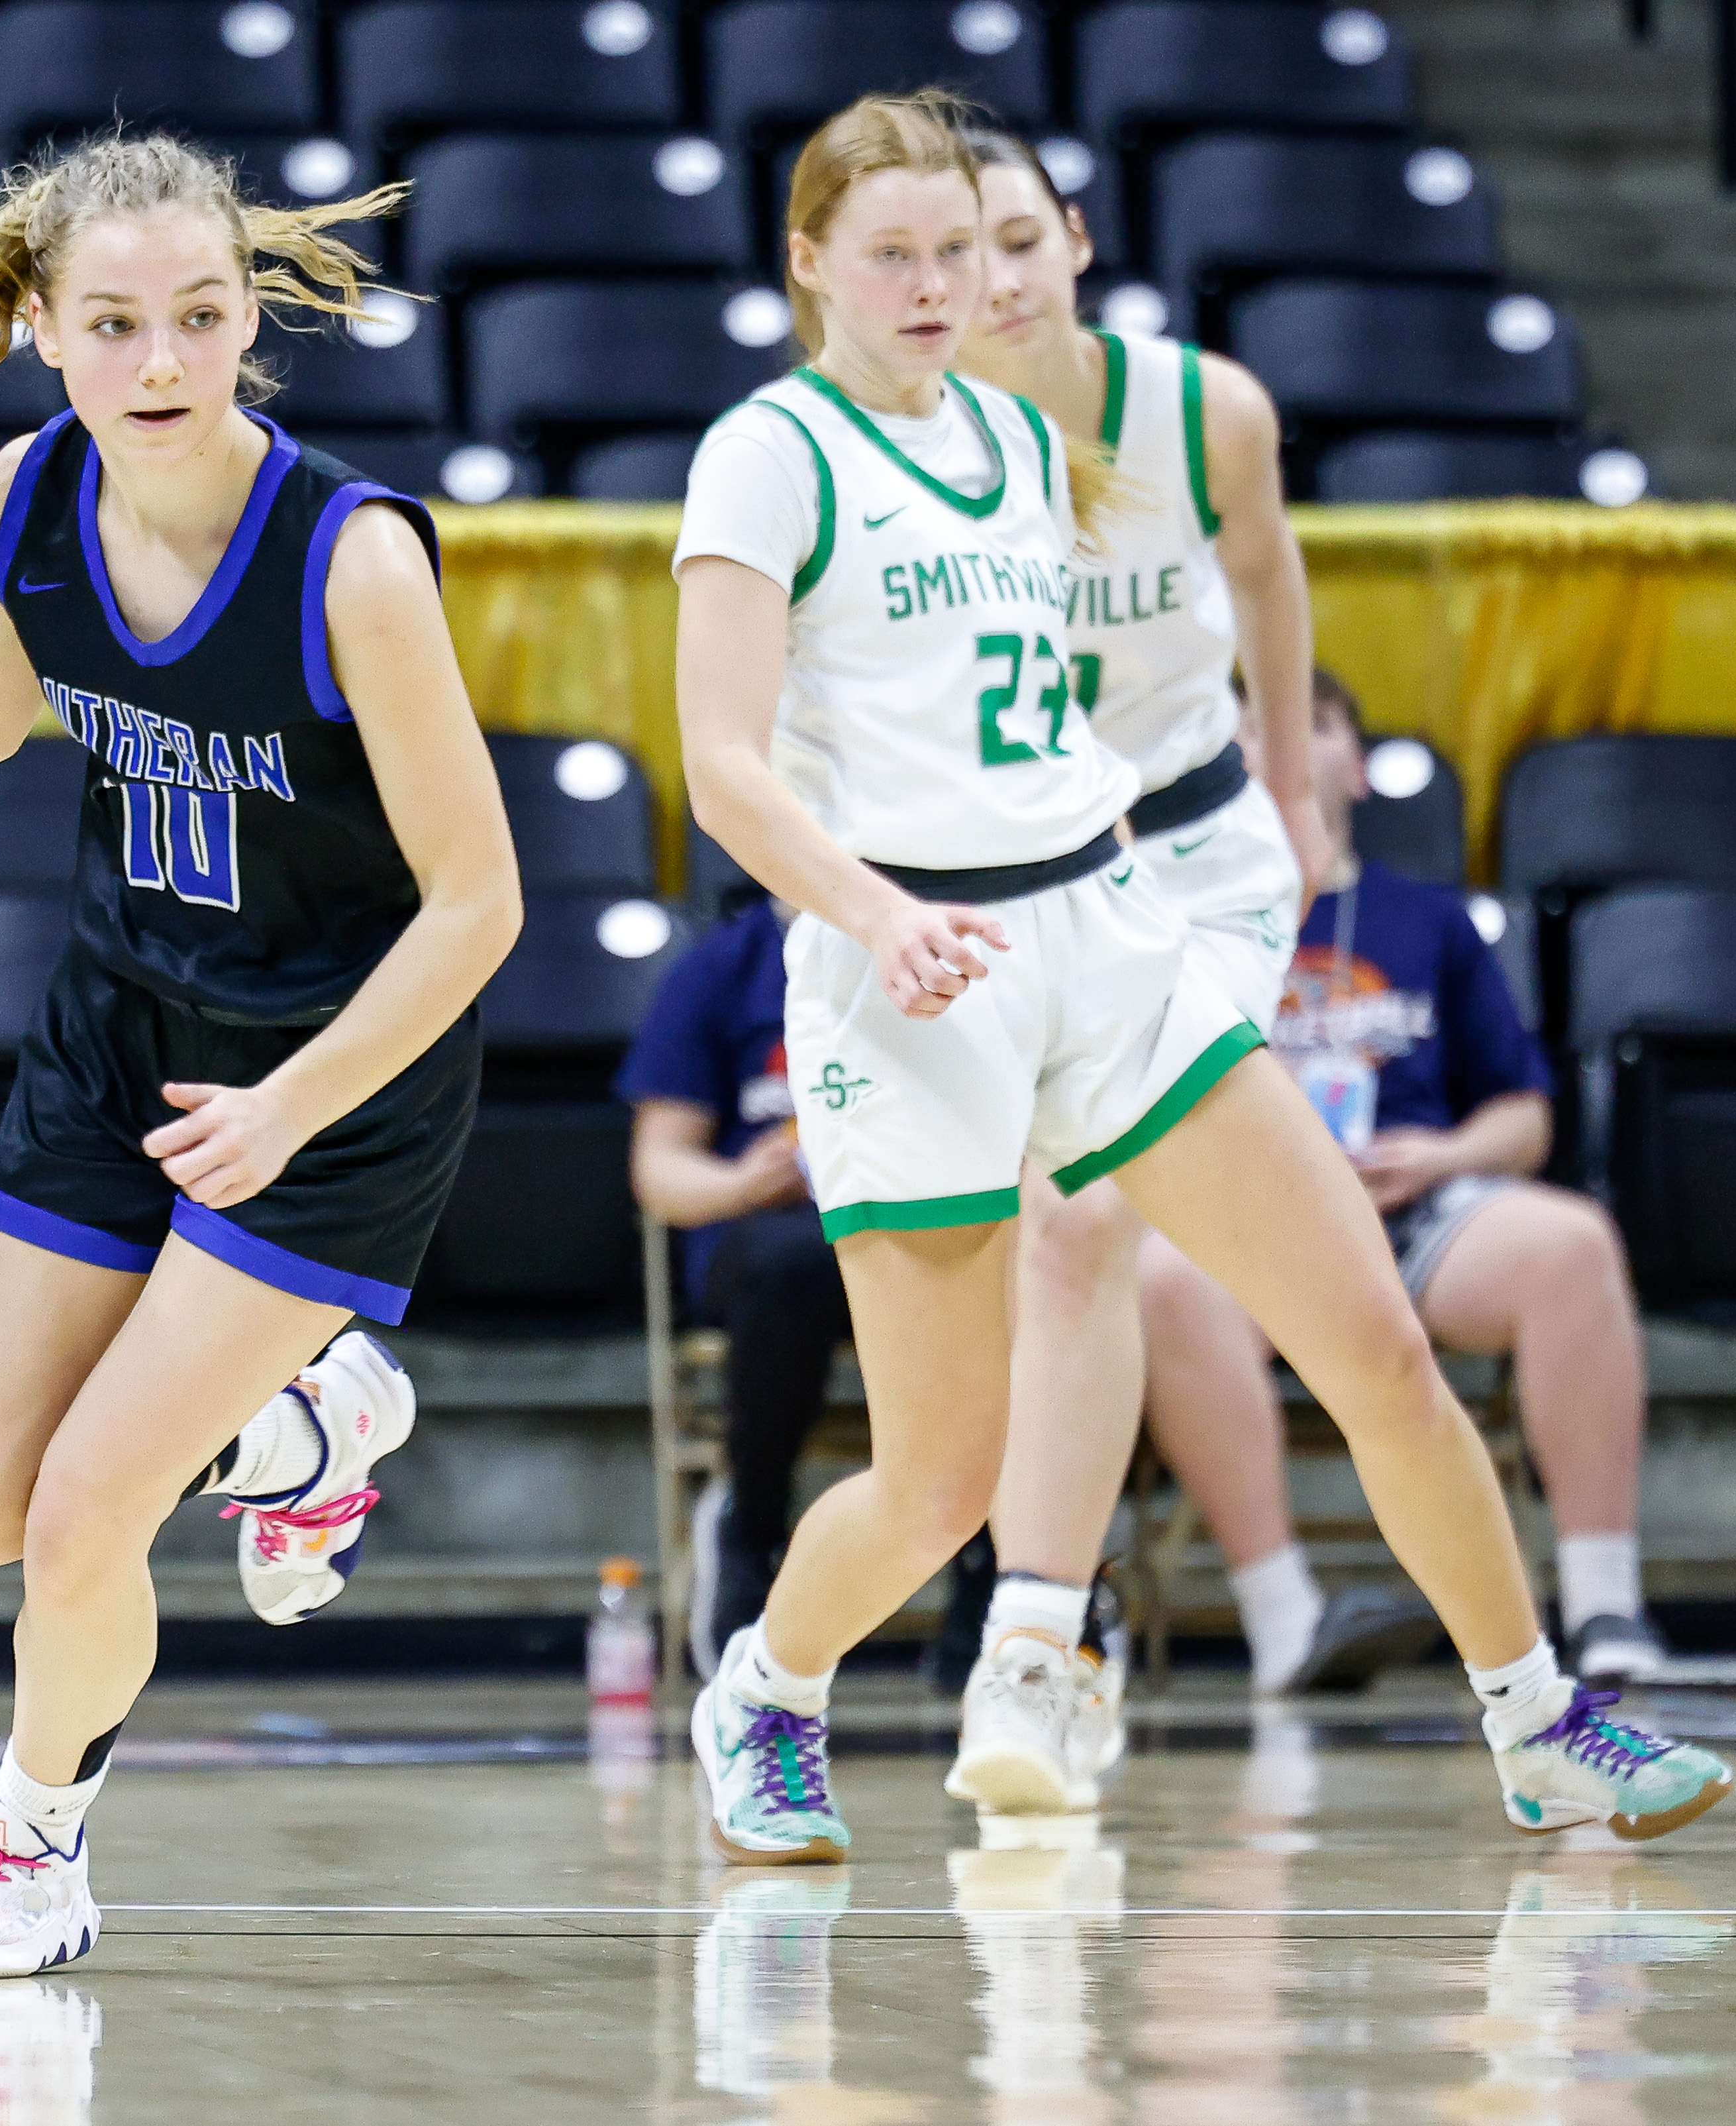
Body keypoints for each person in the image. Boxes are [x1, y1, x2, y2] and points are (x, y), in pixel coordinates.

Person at [674, 89, 1722, 1866]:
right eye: (897, 255)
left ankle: (1539, 1721)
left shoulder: (1018, 441)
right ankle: (767, 1688)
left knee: (1375, 1349)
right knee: (936, 1476)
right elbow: (720, 766)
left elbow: (1186, 613)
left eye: (963, 248)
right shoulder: (766, 453)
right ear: (809, 265)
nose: (940, 286)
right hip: (908, 973)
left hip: (1102, 933)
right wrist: (871, 911)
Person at [0, 134, 519, 1978]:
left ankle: (31, 1842)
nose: (160, 361)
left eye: (198, 316)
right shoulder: (29, 498)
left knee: (84, 1516)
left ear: (248, 320)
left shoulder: (351, 559)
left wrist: (293, 1103)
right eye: (113, 323)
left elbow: (476, 906)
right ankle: (304, 1422)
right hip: (119, 1035)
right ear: (39, 332)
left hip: (330, 1081)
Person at [929, 125, 1341, 1807]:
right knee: (1046, 1237)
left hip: (1192, 852)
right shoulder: (887, 451)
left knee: (1084, 1209)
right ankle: (1045, 1632)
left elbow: (1264, 570)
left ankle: (1032, 1654)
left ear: (1075, 238)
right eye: (951, 257)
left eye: (1019, 239)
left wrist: (1300, 795)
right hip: (1018, 870)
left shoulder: (1207, 412)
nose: (994, 281)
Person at [1139, 671, 1672, 1685]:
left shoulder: (1427, 922)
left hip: (1423, 1208)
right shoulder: (1170, 919)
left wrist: (1446, 1156)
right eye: (1243, 728)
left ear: (1357, 765)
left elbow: (1524, 1116)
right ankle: (1285, 1619)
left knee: (1571, 1245)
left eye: (1314, 720)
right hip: (1252, 1220)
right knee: (1164, 1277)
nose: (1278, 741)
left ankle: (1606, 1608)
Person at [619, 890, 850, 1678]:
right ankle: (750, 1522)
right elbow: (659, 1169)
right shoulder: (723, 965)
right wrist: (745, 1183)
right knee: (793, 1262)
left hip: (901, 1223)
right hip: (766, 1234)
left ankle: (992, 1561)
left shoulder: (923, 930)